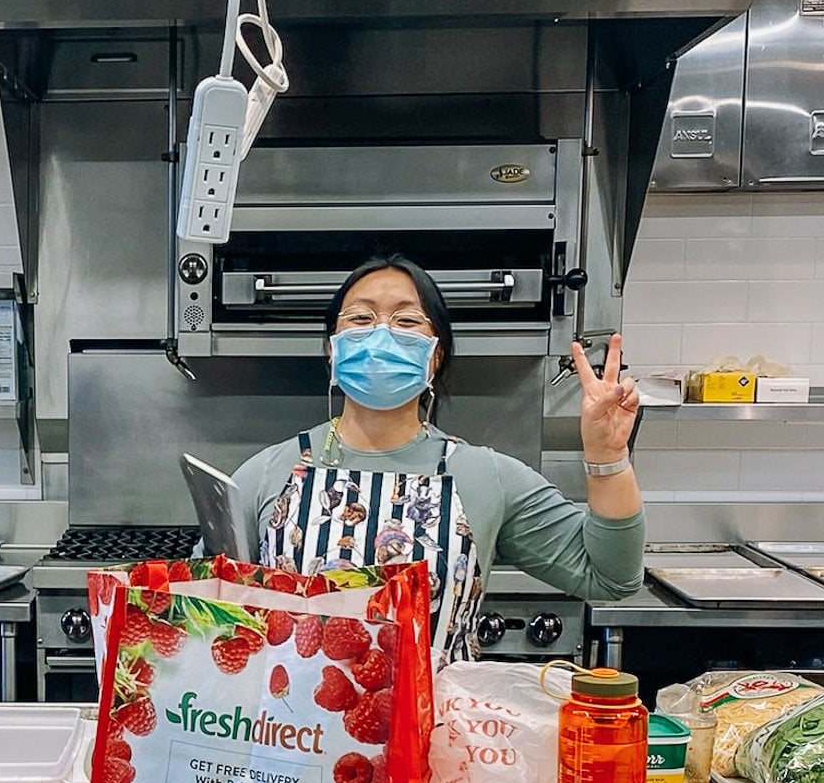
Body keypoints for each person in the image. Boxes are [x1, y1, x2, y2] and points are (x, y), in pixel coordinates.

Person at [231, 253, 645, 662]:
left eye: (406, 321)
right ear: (332, 349)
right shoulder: (269, 472)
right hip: (295, 728)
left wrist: (607, 457)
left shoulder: (484, 476)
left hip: (436, 726)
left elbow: (610, 577)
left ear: (436, 354)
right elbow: (215, 614)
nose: (381, 335)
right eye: (360, 319)